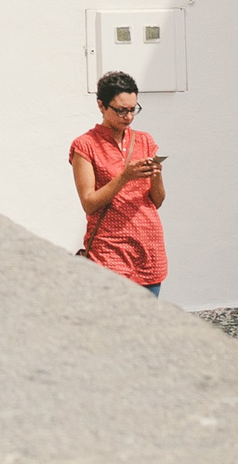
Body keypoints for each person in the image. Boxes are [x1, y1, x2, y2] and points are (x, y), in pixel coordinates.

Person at [71, 71, 167, 296]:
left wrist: (156, 174)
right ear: (101, 106)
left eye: (133, 109)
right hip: (109, 252)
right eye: (121, 110)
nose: (128, 117)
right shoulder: (85, 146)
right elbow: (89, 203)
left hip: (149, 250)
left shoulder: (145, 141)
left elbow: (158, 200)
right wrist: (125, 177)